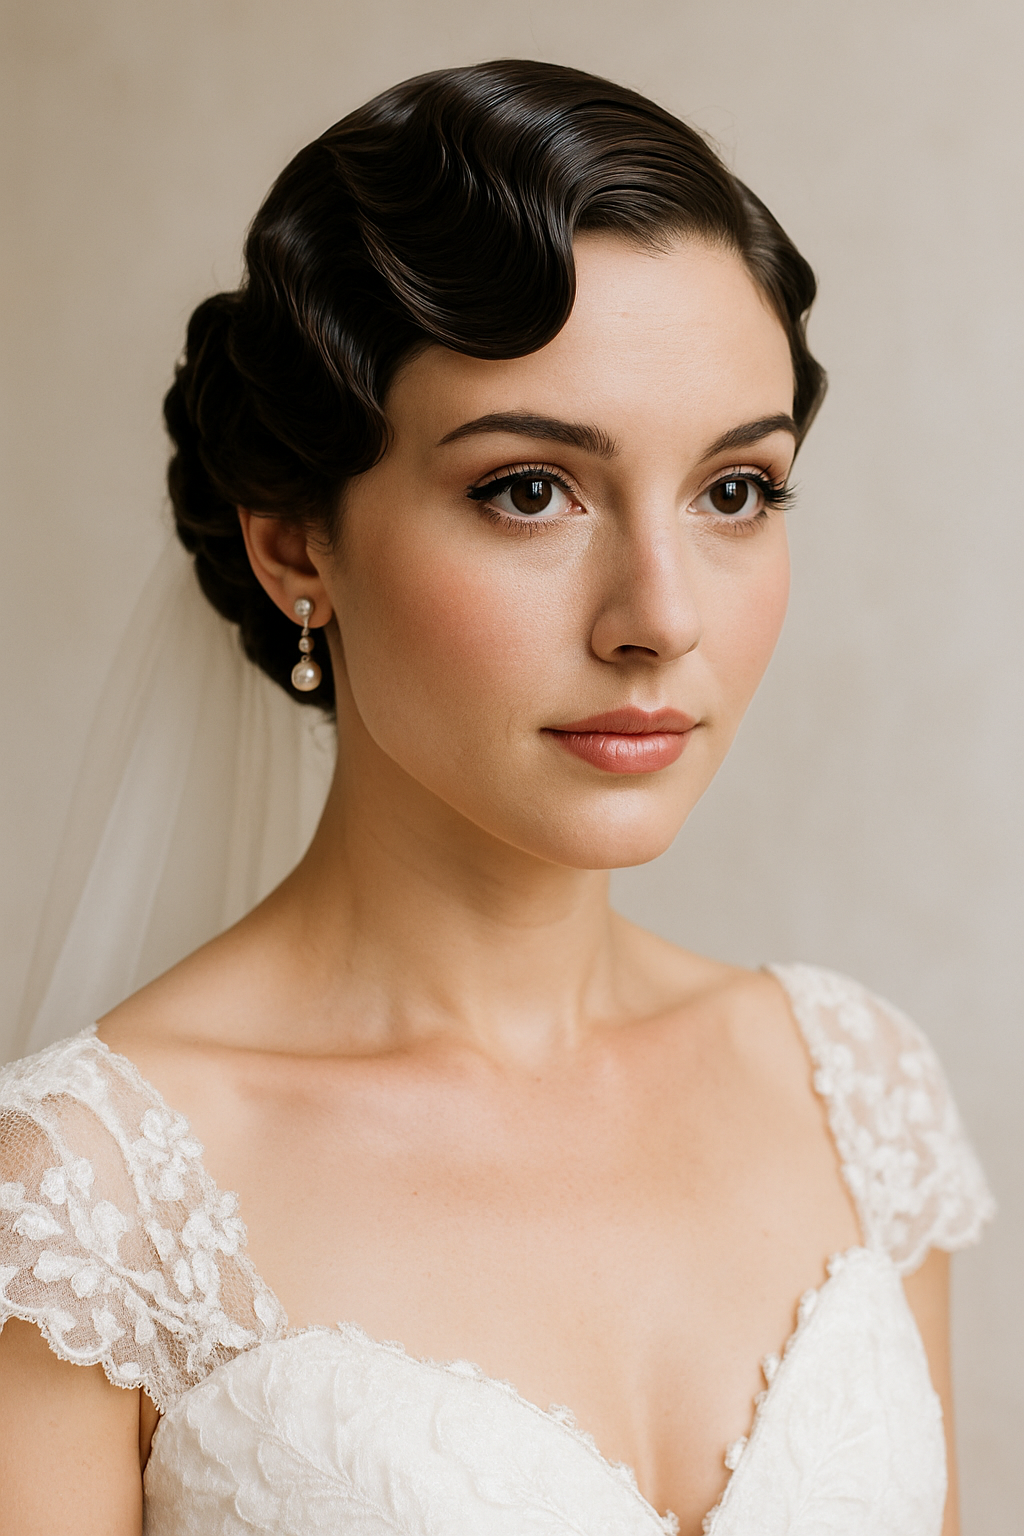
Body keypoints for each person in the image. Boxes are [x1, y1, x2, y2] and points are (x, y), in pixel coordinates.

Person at [0, 59, 993, 1536]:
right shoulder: (84, 1209)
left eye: (736, 491)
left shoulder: (854, 1093)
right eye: (530, 488)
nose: (659, 617)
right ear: (295, 549)